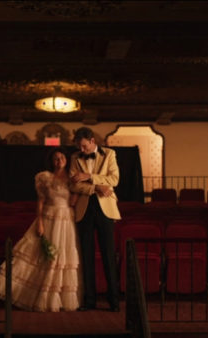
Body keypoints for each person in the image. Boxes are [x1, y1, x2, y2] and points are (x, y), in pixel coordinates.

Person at [0, 147, 83, 312]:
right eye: (56, 158)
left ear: (67, 160)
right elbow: (40, 202)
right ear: (52, 161)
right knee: (43, 256)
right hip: (49, 218)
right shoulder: (44, 177)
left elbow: (72, 202)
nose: (59, 161)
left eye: (62, 158)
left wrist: (77, 188)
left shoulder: (72, 178)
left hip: (67, 220)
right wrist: (40, 223)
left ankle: (58, 298)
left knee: (64, 258)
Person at [69, 127, 121, 312]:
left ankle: (114, 301)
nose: (82, 150)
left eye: (84, 146)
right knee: (86, 257)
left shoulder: (110, 154)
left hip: (105, 210)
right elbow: (73, 185)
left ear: (92, 141)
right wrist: (96, 187)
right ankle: (89, 301)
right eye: (79, 147)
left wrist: (90, 177)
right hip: (84, 210)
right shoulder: (75, 158)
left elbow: (114, 179)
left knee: (108, 255)